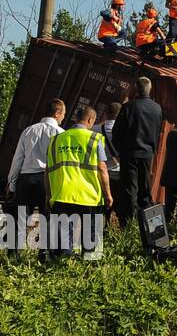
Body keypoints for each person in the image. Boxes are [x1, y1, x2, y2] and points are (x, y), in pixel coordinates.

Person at [44, 103, 112, 259]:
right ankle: (89, 264)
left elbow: (47, 171)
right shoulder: (95, 139)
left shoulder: (56, 140)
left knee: (62, 242)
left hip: (62, 195)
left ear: (75, 118)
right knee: (90, 244)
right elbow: (102, 169)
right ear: (90, 120)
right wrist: (108, 195)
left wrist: (48, 195)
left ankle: (62, 265)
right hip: (89, 197)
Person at [5, 98, 65, 251]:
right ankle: (43, 254)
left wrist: (11, 184)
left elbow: (18, 158)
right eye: (63, 114)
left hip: (26, 178)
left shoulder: (29, 130)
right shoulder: (61, 134)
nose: (64, 117)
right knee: (47, 217)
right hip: (47, 180)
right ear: (57, 113)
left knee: (20, 217)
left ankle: (13, 253)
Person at [112, 76, 164, 241]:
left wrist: (120, 150)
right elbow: (158, 132)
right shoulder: (157, 108)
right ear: (150, 90)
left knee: (130, 191)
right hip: (148, 154)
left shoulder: (128, 107)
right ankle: (155, 232)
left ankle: (127, 230)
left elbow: (116, 132)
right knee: (145, 192)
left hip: (129, 154)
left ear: (136, 89)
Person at [94, 102, 122, 200]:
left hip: (98, 171)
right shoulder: (125, 131)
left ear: (105, 114)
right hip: (117, 172)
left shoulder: (94, 129)